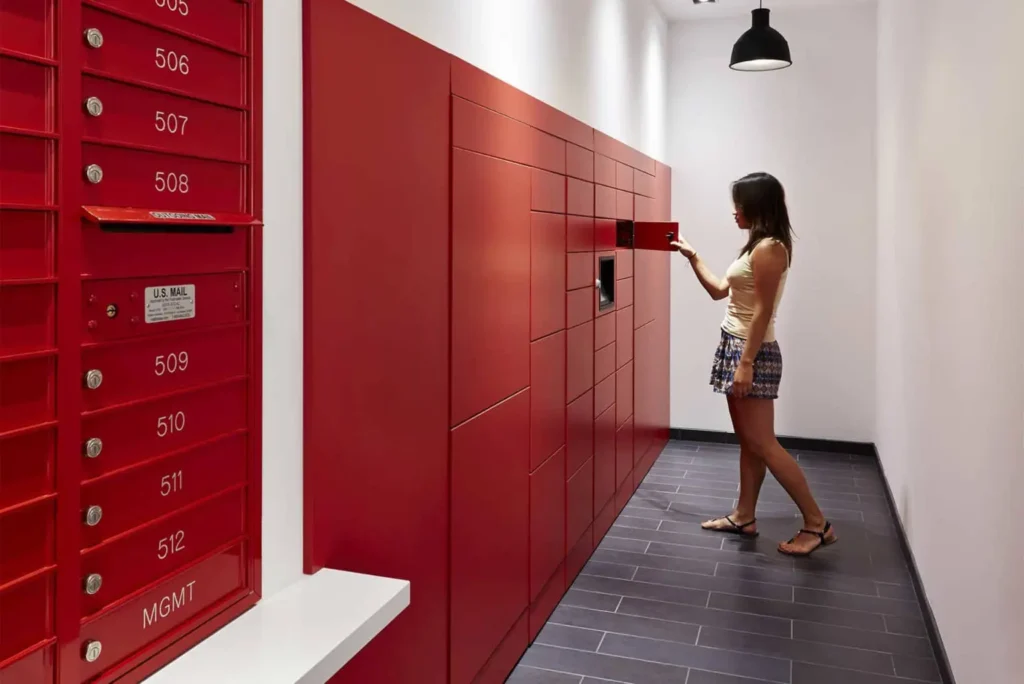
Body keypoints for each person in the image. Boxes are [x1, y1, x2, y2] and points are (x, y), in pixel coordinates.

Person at [671, 172, 837, 557]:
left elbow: (762, 311)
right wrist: (693, 256)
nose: (735, 211)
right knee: (749, 442)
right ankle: (744, 516)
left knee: (763, 443)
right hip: (736, 345)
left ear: (757, 206)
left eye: (740, 204)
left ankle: (817, 524)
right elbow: (719, 292)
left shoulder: (771, 250)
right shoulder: (755, 248)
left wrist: (746, 363)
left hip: (752, 352)